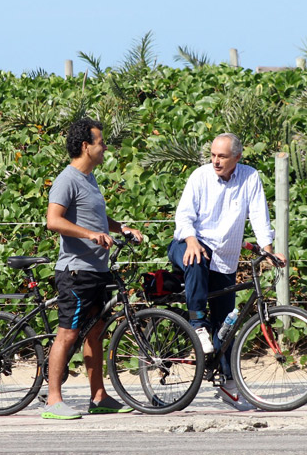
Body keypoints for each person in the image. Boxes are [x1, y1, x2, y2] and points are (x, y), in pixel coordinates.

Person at [167, 132, 286, 411]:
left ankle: (228, 385)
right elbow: (184, 215)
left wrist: (267, 249)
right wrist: (192, 240)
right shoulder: (199, 176)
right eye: (212, 155)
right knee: (196, 258)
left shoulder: (250, 177)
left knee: (226, 328)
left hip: (224, 259)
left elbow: (258, 214)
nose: (216, 161)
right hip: (187, 245)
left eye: (222, 156)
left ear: (237, 158)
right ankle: (197, 326)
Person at [43, 117, 143, 420]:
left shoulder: (89, 179)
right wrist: (90, 235)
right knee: (68, 334)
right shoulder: (67, 179)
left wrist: (119, 227)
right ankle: (52, 400)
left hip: (96, 270)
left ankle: (98, 396)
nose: (105, 147)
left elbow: (96, 216)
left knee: (96, 333)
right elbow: (53, 221)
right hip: (76, 271)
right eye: (101, 142)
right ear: (86, 146)